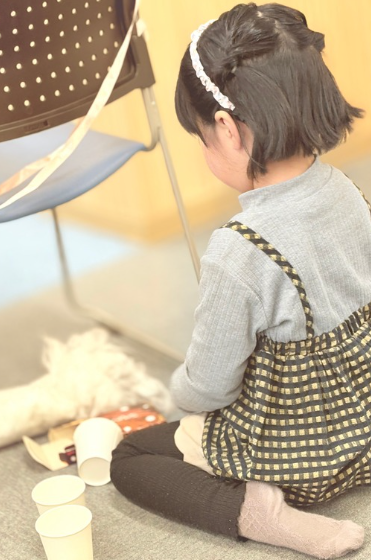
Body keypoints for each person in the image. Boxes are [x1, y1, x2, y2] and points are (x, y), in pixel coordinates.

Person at [111, 3, 370, 558]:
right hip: (364, 423)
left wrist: (179, 392)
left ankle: (261, 511)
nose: (205, 146)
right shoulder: (347, 190)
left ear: (227, 130)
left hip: (302, 457)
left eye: (202, 136)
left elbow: (211, 386)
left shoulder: (240, 248)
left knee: (130, 457)